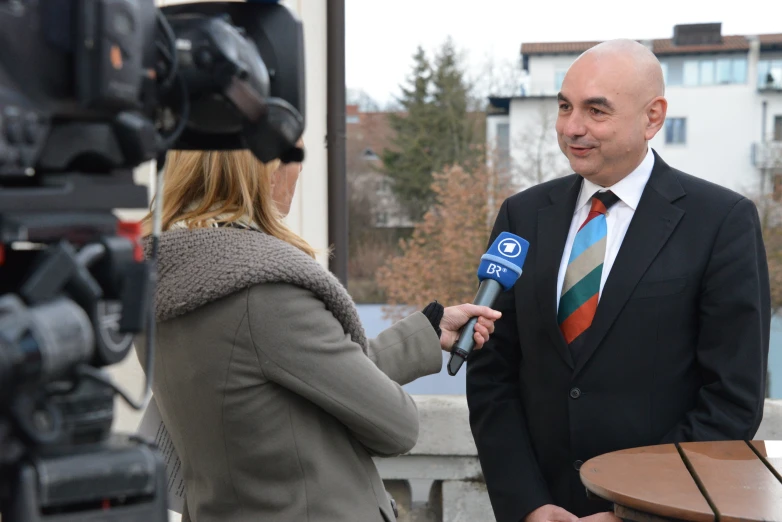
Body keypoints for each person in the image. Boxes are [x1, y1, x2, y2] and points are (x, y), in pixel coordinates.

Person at [466, 39, 770, 522]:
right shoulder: (522, 215)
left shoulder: (721, 221)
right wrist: (529, 505)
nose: (572, 127)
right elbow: (492, 376)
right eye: (564, 106)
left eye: (596, 110)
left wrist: (633, 509)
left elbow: (731, 398)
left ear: (652, 117)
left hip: (657, 510)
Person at [135, 147, 502, 522]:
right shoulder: (263, 293)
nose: (299, 168)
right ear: (264, 169)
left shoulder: (166, 281)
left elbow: (301, 372)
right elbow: (397, 425)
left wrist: (427, 329)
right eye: (293, 154)